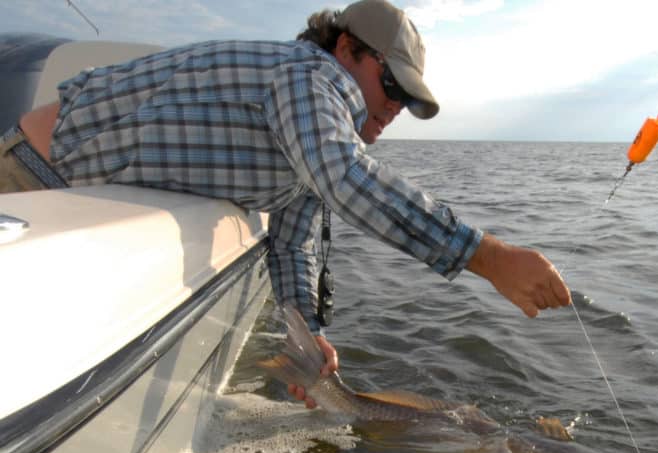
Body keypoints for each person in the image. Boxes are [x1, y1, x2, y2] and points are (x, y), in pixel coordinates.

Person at [1, 0, 571, 406]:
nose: (396, 107)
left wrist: (308, 333)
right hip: (29, 178)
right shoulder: (308, 75)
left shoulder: (307, 133)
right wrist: (489, 256)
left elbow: (293, 239)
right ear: (346, 49)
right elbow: (344, 176)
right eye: (392, 86)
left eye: (408, 101)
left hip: (79, 195)